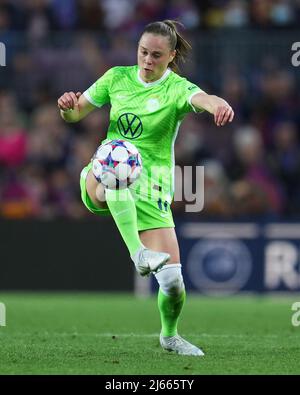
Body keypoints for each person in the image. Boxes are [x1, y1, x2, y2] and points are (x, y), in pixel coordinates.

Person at [57, 20, 234, 356]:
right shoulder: (116, 78)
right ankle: (138, 253)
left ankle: (170, 336)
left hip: (152, 190)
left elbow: (203, 97)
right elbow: (76, 114)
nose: (147, 60)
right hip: (101, 176)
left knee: (172, 284)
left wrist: (218, 105)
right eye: (142, 52)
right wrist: (66, 108)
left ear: (171, 57)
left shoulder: (175, 89)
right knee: (116, 168)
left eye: (156, 55)